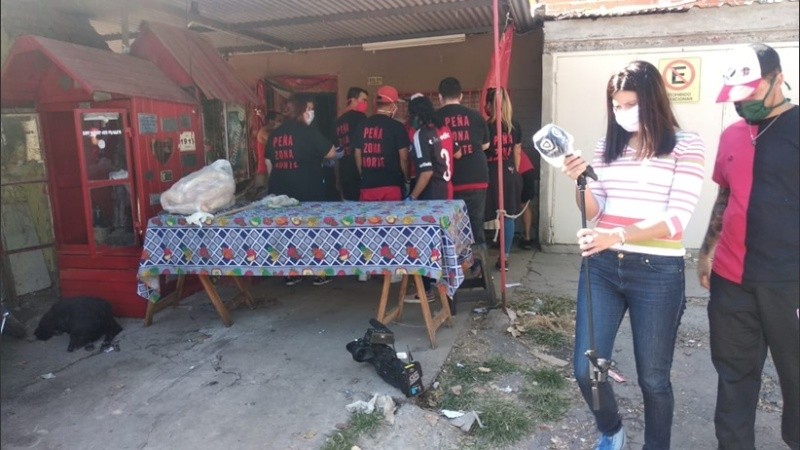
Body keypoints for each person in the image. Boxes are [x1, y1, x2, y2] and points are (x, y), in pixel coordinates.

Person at [561, 60, 705, 450]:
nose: (622, 111)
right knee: (585, 368)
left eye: (631, 103)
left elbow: (677, 218)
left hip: (657, 271)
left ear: (654, 101)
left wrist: (616, 235)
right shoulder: (607, 148)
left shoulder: (687, 144)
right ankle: (611, 429)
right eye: (617, 104)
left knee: (654, 379)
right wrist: (579, 178)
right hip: (602, 267)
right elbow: (595, 208)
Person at [697, 43, 799, 450]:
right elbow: (725, 197)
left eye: (752, 92)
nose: (744, 104)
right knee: (734, 374)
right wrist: (707, 252)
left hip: (789, 280)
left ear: (776, 79)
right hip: (731, 279)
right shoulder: (733, 135)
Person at [265, 93, 336, 287]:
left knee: (288, 231)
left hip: (281, 190)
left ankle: (291, 272)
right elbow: (330, 152)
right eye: (309, 109)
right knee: (313, 229)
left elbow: (269, 162)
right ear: (301, 111)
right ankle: (318, 272)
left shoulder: (276, 134)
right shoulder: (308, 131)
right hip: (308, 189)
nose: (311, 112)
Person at [434, 77, 490, 274]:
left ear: (440, 97)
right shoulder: (475, 116)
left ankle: (453, 270)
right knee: (476, 225)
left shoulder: (435, 118)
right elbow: (485, 145)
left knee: (452, 229)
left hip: (449, 180)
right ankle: (480, 269)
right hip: (477, 176)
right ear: (461, 96)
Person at [405, 94, 457, 301]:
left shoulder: (420, 135)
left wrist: (413, 196)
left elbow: (425, 172)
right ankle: (443, 290)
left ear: (416, 114)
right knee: (441, 243)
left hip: (429, 195)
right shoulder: (436, 131)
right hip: (443, 191)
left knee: (424, 243)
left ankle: (425, 290)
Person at [483, 87, 523, 271]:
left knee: (481, 216)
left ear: (490, 105)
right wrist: (514, 171)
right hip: (509, 172)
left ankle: (478, 260)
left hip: (489, 172)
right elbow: (517, 152)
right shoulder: (514, 125)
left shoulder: (485, 126)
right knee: (508, 217)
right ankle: (504, 258)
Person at [353, 85, 410, 201]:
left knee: (369, 219)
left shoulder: (362, 126)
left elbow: (357, 155)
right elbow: (404, 158)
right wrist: (407, 180)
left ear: (376, 103)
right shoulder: (398, 127)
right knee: (391, 219)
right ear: (393, 105)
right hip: (391, 186)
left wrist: (364, 176)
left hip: (367, 186)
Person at [335, 87, 369, 201]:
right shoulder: (360, 117)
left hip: (344, 173)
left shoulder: (338, 121)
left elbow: (335, 152)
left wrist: (337, 180)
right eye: (363, 100)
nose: (365, 103)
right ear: (353, 100)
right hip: (358, 173)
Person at [253, 111, 283, 191]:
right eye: (278, 120)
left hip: (271, 169)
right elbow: (276, 142)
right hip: (264, 170)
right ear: (271, 121)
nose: (280, 123)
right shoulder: (263, 132)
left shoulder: (270, 132)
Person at [518, 149, 541, 251]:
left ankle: (502, 239)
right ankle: (527, 238)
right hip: (527, 170)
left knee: (506, 206)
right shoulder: (512, 140)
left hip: (518, 171)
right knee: (525, 205)